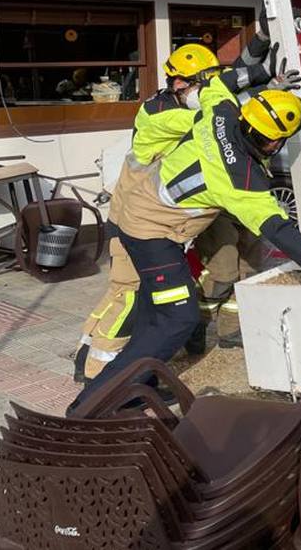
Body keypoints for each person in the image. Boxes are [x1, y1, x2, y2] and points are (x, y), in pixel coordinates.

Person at [70, 79, 301, 413]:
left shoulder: (222, 112)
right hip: (152, 233)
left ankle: (138, 386)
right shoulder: (242, 181)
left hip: (139, 213)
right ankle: (93, 405)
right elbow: (279, 230)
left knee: (154, 312)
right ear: (274, 142)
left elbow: (215, 82)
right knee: (178, 317)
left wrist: (263, 59)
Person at [73, 42, 220, 382]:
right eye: (201, 83)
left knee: (118, 289)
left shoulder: (165, 102)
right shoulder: (161, 111)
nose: (205, 90)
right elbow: (210, 122)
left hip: (131, 213)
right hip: (133, 219)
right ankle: (99, 371)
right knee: (128, 293)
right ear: (180, 82)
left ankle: (86, 348)